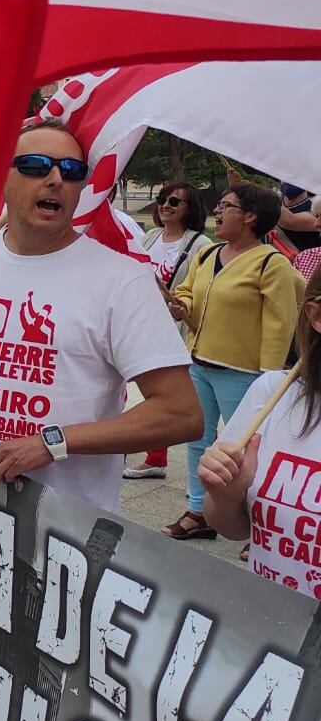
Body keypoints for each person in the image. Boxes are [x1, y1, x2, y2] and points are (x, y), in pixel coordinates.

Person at [0, 121, 201, 510]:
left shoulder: (122, 280)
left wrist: (55, 442)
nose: (55, 178)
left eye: (71, 170)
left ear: (81, 187)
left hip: (64, 527)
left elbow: (181, 413)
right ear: (2, 178)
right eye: (34, 165)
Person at [162, 183, 305, 540]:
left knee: (246, 449)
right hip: (199, 365)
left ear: (250, 216)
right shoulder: (208, 255)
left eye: (225, 205)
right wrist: (182, 306)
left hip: (244, 375)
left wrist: (267, 379)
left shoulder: (272, 264)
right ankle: (199, 511)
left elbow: (281, 323)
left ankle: (256, 520)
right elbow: (188, 293)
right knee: (198, 440)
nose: (217, 211)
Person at [200, 269, 321, 596]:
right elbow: (233, 528)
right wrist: (227, 494)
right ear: (316, 315)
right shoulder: (274, 393)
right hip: (267, 627)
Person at [123, 183, 211, 479]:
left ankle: (156, 456)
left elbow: (201, 288)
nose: (166, 205)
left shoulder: (199, 244)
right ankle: (144, 450)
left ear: (191, 208)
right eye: (163, 199)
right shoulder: (149, 236)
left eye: (175, 201)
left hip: (175, 327)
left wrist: (183, 305)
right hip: (144, 320)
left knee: (163, 391)